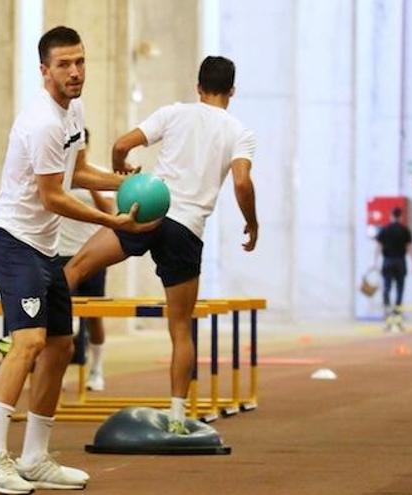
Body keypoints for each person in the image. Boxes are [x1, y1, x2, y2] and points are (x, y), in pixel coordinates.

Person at [0, 26, 157, 495]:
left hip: (45, 246)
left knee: (59, 346)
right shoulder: (43, 122)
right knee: (29, 343)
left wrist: (128, 183)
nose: (75, 72)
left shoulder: (74, 112)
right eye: (64, 65)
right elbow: (53, 196)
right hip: (15, 241)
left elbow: (79, 172)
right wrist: (113, 223)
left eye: (80, 62)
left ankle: (34, 457)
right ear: (44, 71)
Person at [64, 55, 258, 436]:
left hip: (146, 209)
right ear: (232, 91)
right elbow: (241, 184)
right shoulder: (240, 132)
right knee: (180, 327)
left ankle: (22, 334)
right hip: (186, 229)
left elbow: (121, 145)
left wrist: (124, 172)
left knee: (74, 269)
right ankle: (175, 415)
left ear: (197, 86)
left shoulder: (174, 113)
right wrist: (252, 221)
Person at [57, 128, 114, 391]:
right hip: (61, 252)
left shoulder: (99, 174)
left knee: (94, 314)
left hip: (92, 252)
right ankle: (60, 372)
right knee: (62, 317)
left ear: (86, 148)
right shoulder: (59, 175)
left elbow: (109, 212)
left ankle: (97, 369)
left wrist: (90, 184)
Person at [374, 207, 412, 316]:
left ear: (391, 216)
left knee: (387, 286)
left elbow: (378, 247)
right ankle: (397, 311)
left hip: (387, 261)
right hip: (400, 262)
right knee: (400, 288)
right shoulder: (405, 230)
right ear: (401, 216)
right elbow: (410, 248)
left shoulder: (385, 229)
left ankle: (387, 308)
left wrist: (375, 262)